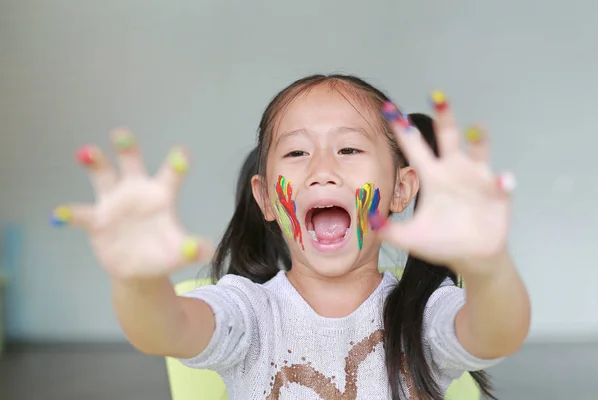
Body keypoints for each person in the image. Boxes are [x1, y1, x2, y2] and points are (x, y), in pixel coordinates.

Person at [52, 74, 531, 399]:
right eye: (298, 152)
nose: (322, 170)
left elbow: (497, 332)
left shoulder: (422, 314)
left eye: (348, 148)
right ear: (266, 198)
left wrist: (488, 265)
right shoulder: (248, 313)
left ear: (401, 189)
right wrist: (137, 279)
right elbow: (163, 327)